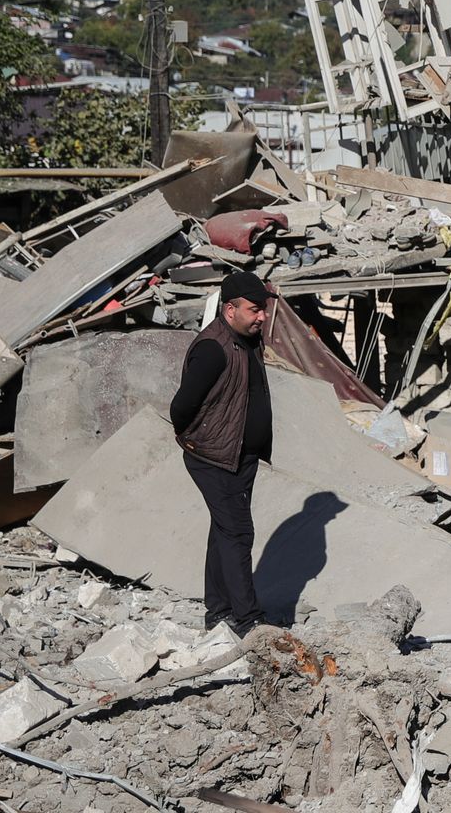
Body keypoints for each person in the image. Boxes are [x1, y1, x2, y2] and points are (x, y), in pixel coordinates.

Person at [169, 271, 274, 637]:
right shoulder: (213, 347)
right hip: (213, 458)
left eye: (263, 309)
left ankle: (218, 612)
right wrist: (199, 438)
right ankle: (248, 621)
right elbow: (181, 406)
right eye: (254, 309)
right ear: (229, 310)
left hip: (239, 458)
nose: (261, 316)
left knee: (224, 531)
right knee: (239, 532)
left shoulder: (246, 340)